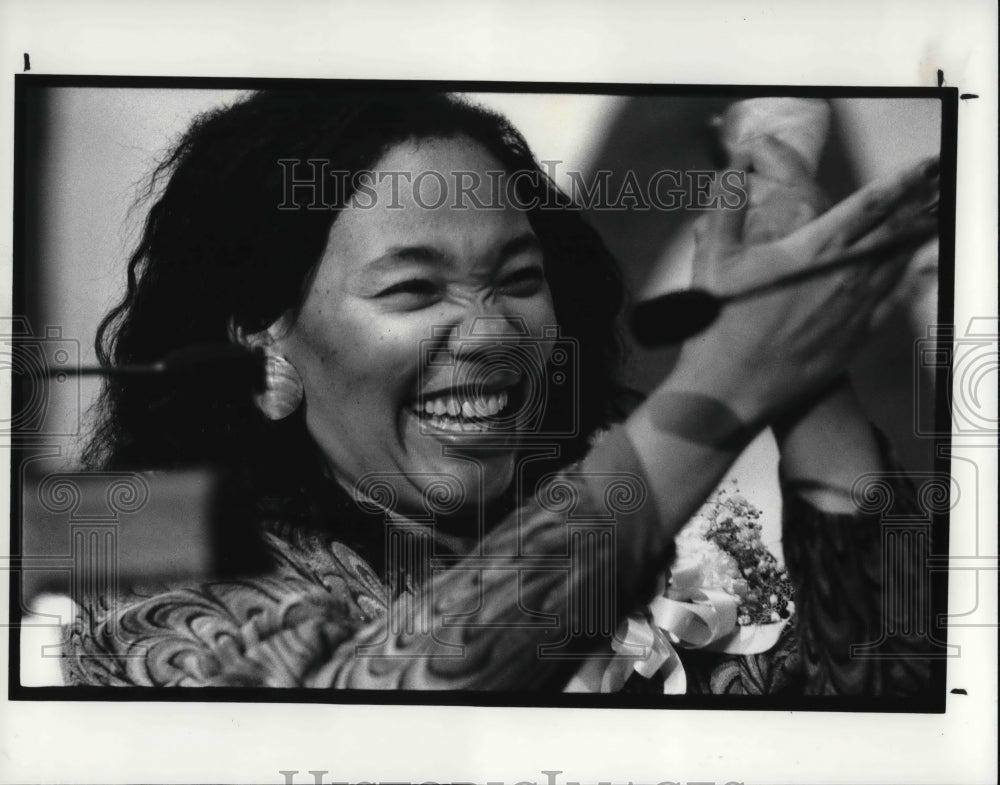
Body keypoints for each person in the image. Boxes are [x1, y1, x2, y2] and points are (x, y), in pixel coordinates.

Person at [62, 88, 939, 692]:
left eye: (518, 279)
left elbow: (885, 693)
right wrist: (723, 385)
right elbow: (367, 713)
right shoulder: (153, 556)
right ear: (262, 342)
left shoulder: (608, 543)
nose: (490, 335)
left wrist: (799, 351)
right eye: (412, 288)